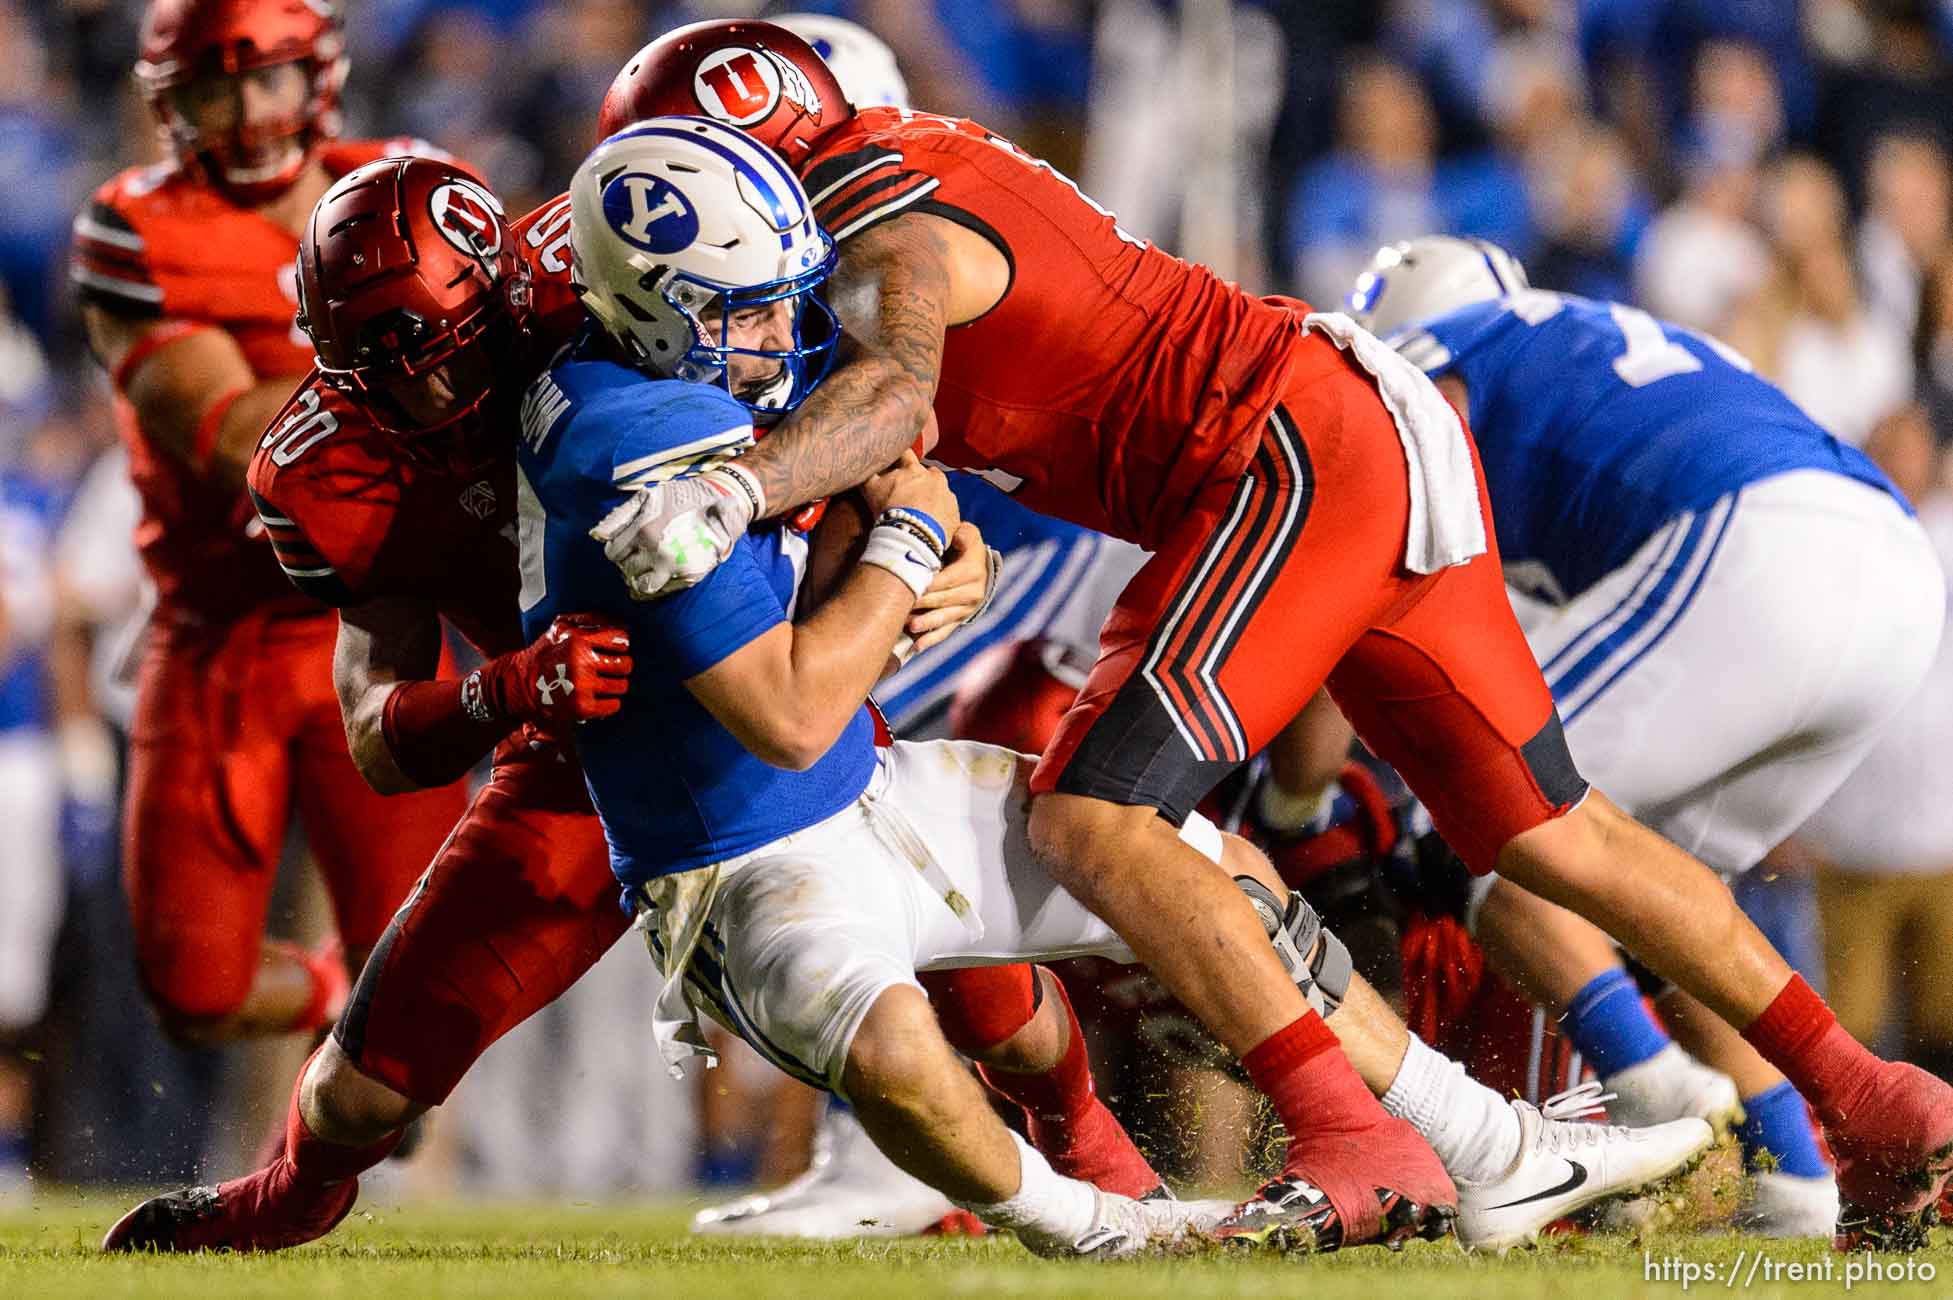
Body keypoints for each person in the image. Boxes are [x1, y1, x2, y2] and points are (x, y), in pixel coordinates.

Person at [592, 20, 1953, 1248]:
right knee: (1553, 834)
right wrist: (907, 547)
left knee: (1092, 819)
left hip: (1278, 455)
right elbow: (923, 442)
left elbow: (892, 392)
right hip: (1349, 430)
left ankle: (1365, 1144)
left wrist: (733, 487)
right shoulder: (894, 176)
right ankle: (1870, 1095)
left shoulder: (875, 218)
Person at [101, 150, 1155, 1253]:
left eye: (452, 356)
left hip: (748, 683)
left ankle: (1094, 1155)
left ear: (516, 294)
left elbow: (832, 402)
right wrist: (500, 693)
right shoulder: (324, 471)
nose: (427, 394)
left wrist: (930, 535)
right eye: (385, 369)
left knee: (983, 987)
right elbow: (376, 727)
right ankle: (282, 1202)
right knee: (364, 1088)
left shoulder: (608, 278)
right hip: (569, 756)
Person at [518, 117, 1229, 1258]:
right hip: (742, 845)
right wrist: (908, 544)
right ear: (655, 311)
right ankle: (1096, 1229)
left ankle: (1456, 1132)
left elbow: (893, 472)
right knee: (903, 1048)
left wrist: (941, 550)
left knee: (1200, 868)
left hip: (869, 770)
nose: (781, 331)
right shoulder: (634, 444)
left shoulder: (711, 371)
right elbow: (792, 711)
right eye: (742, 310)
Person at [1348, 234, 1945, 1237]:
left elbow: (1384, 550)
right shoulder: (1585, 340)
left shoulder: (1421, 360)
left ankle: (1657, 1098)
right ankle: (1797, 1174)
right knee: (1645, 895)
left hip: (1758, 547)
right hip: (1892, 570)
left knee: (1488, 825)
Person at [67, 0, 465, 1047]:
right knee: (196, 991)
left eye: (270, 78)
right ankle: (341, 1006)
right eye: (215, 86)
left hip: (385, 628)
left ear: (320, 76)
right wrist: (406, 363)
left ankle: (367, 1070)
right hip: (219, 644)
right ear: (172, 101)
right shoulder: (136, 224)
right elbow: (236, 435)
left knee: (429, 975)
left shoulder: (402, 178)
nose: (248, 113)